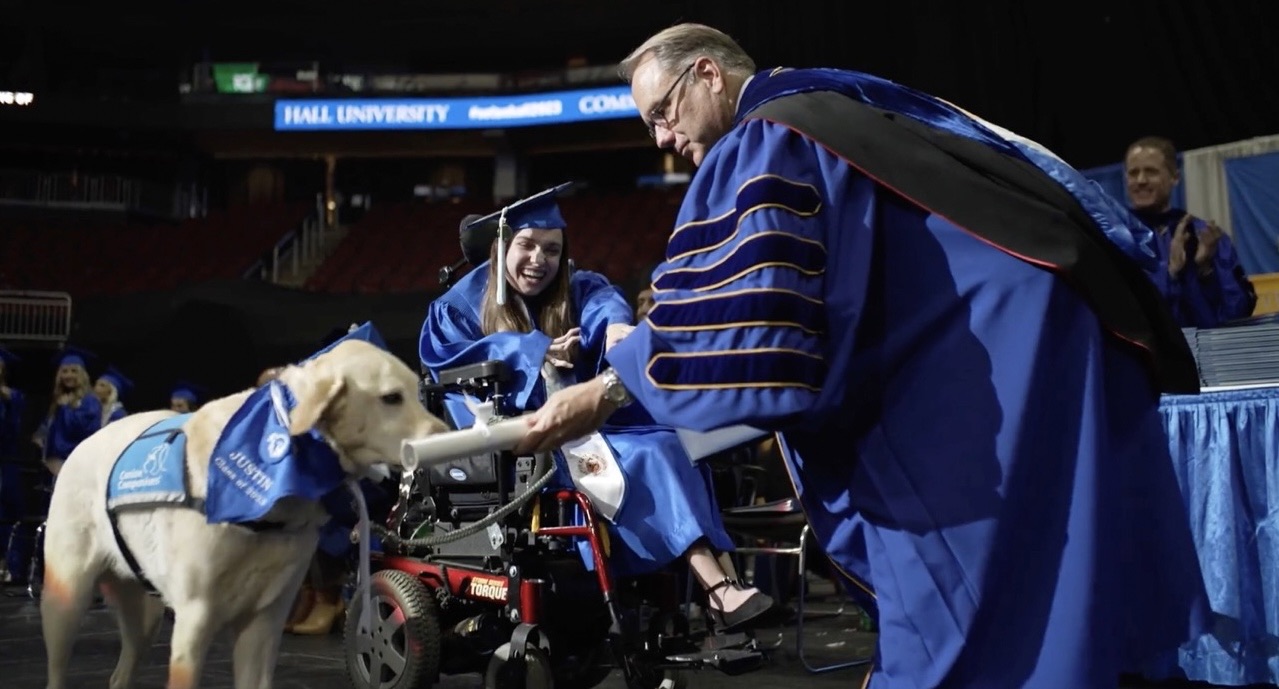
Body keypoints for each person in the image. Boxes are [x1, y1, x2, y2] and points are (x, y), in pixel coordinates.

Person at [513, 23, 1211, 689]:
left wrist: (602, 392)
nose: (665, 140)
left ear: (709, 74)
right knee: (1072, 557)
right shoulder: (840, 104)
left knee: (966, 604)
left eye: (663, 113)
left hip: (984, 362)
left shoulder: (767, 138)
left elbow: (739, 327)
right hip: (1056, 330)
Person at [420, 184, 774, 630]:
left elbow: (603, 301)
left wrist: (614, 330)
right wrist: (537, 352)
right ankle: (718, 591)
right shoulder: (458, 307)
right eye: (526, 245)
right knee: (654, 453)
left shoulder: (572, 287)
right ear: (501, 247)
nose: (539, 260)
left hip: (586, 432)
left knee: (677, 442)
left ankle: (721, 587)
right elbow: (452, 368)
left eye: (551, 248)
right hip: (526, 446)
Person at [1125, 135, 1256, 327]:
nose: (1141, 180)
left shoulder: (1203, 235)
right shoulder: (1115, 238)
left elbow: (1237, 312)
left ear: (1175, 177)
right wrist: (1169, 273)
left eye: (1151, 171)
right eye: (1133, 173)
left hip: (1202, 353)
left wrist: (1206, 269)